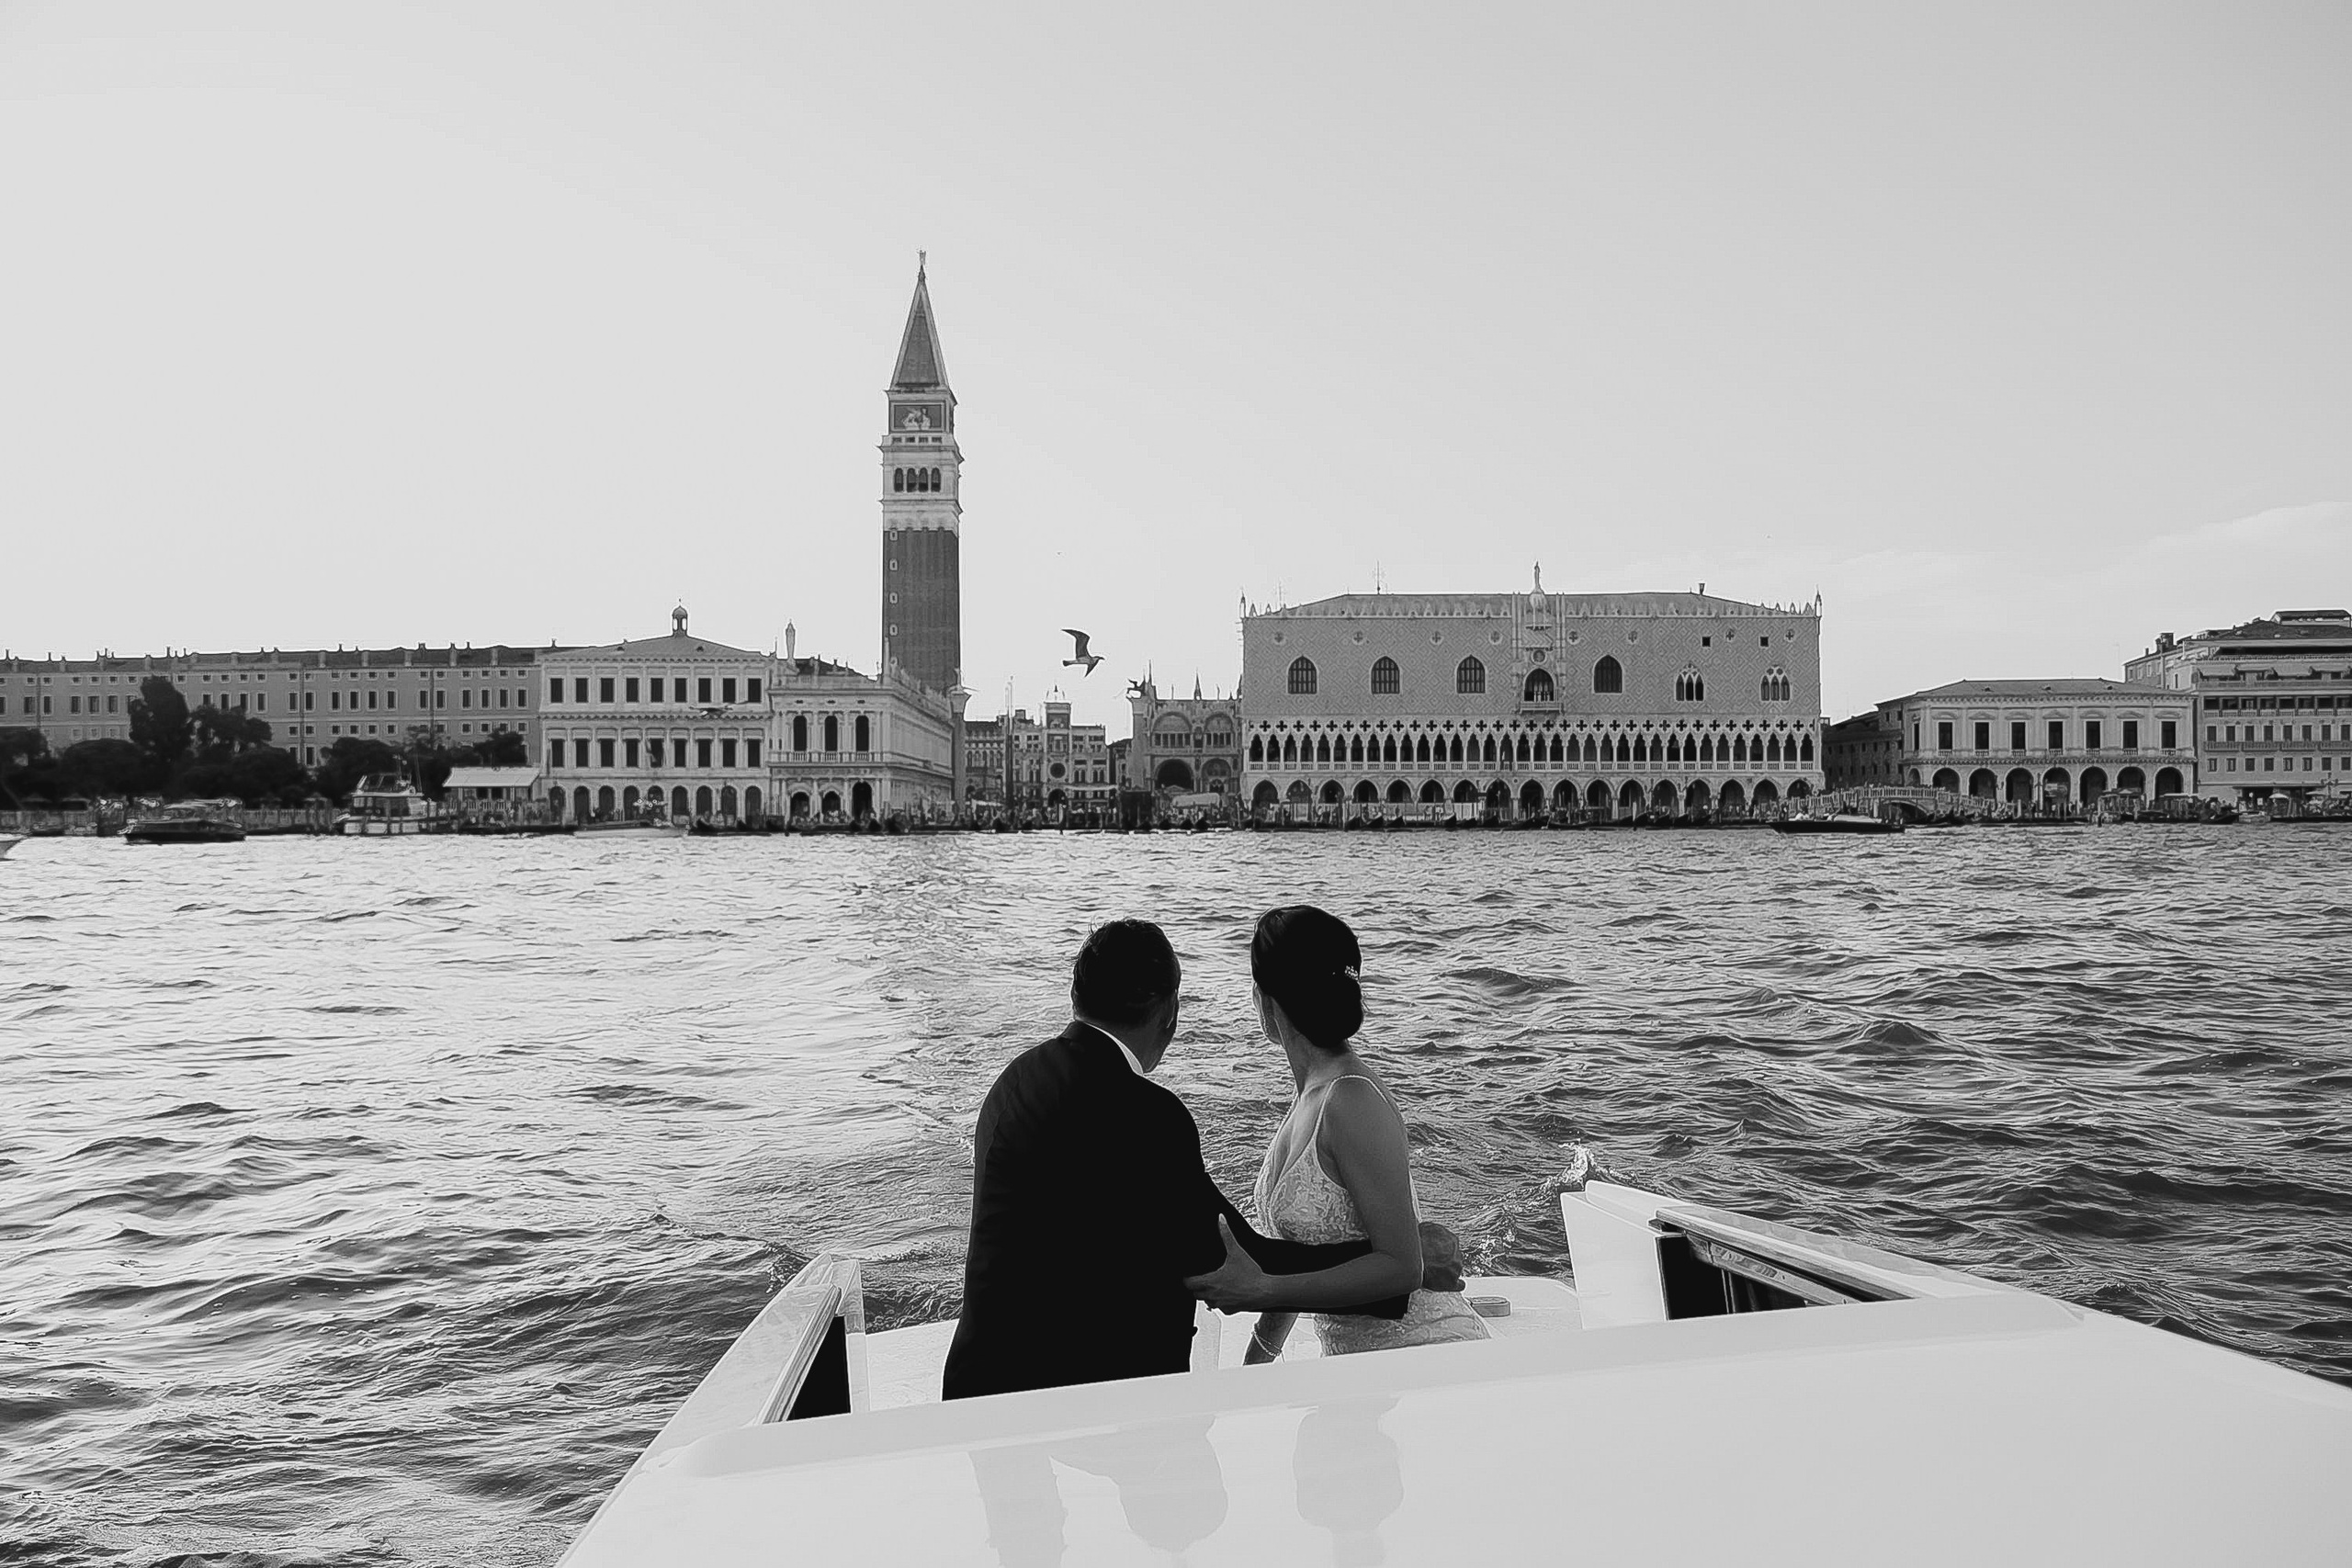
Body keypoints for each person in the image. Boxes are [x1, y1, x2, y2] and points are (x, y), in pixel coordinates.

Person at [942, 919, 1462, 1401]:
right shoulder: (1147, 1113)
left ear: (1077, 995)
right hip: (1102, 1387)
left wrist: (1399, 1265)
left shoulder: (1011, 1084)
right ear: (1170, 1013)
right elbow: (1228, 1259)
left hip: (986, 1377)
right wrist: (1407, 1263)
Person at [1186, 905, 1488, 1359]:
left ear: (1264, 998)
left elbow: (1402, 1268)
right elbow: (1301, 1255)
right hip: (1350, 1363)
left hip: (1424, 1352)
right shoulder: (1313, 1095)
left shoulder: (1351, 1100)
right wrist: (1258, 1358)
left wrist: (1262, 1289)